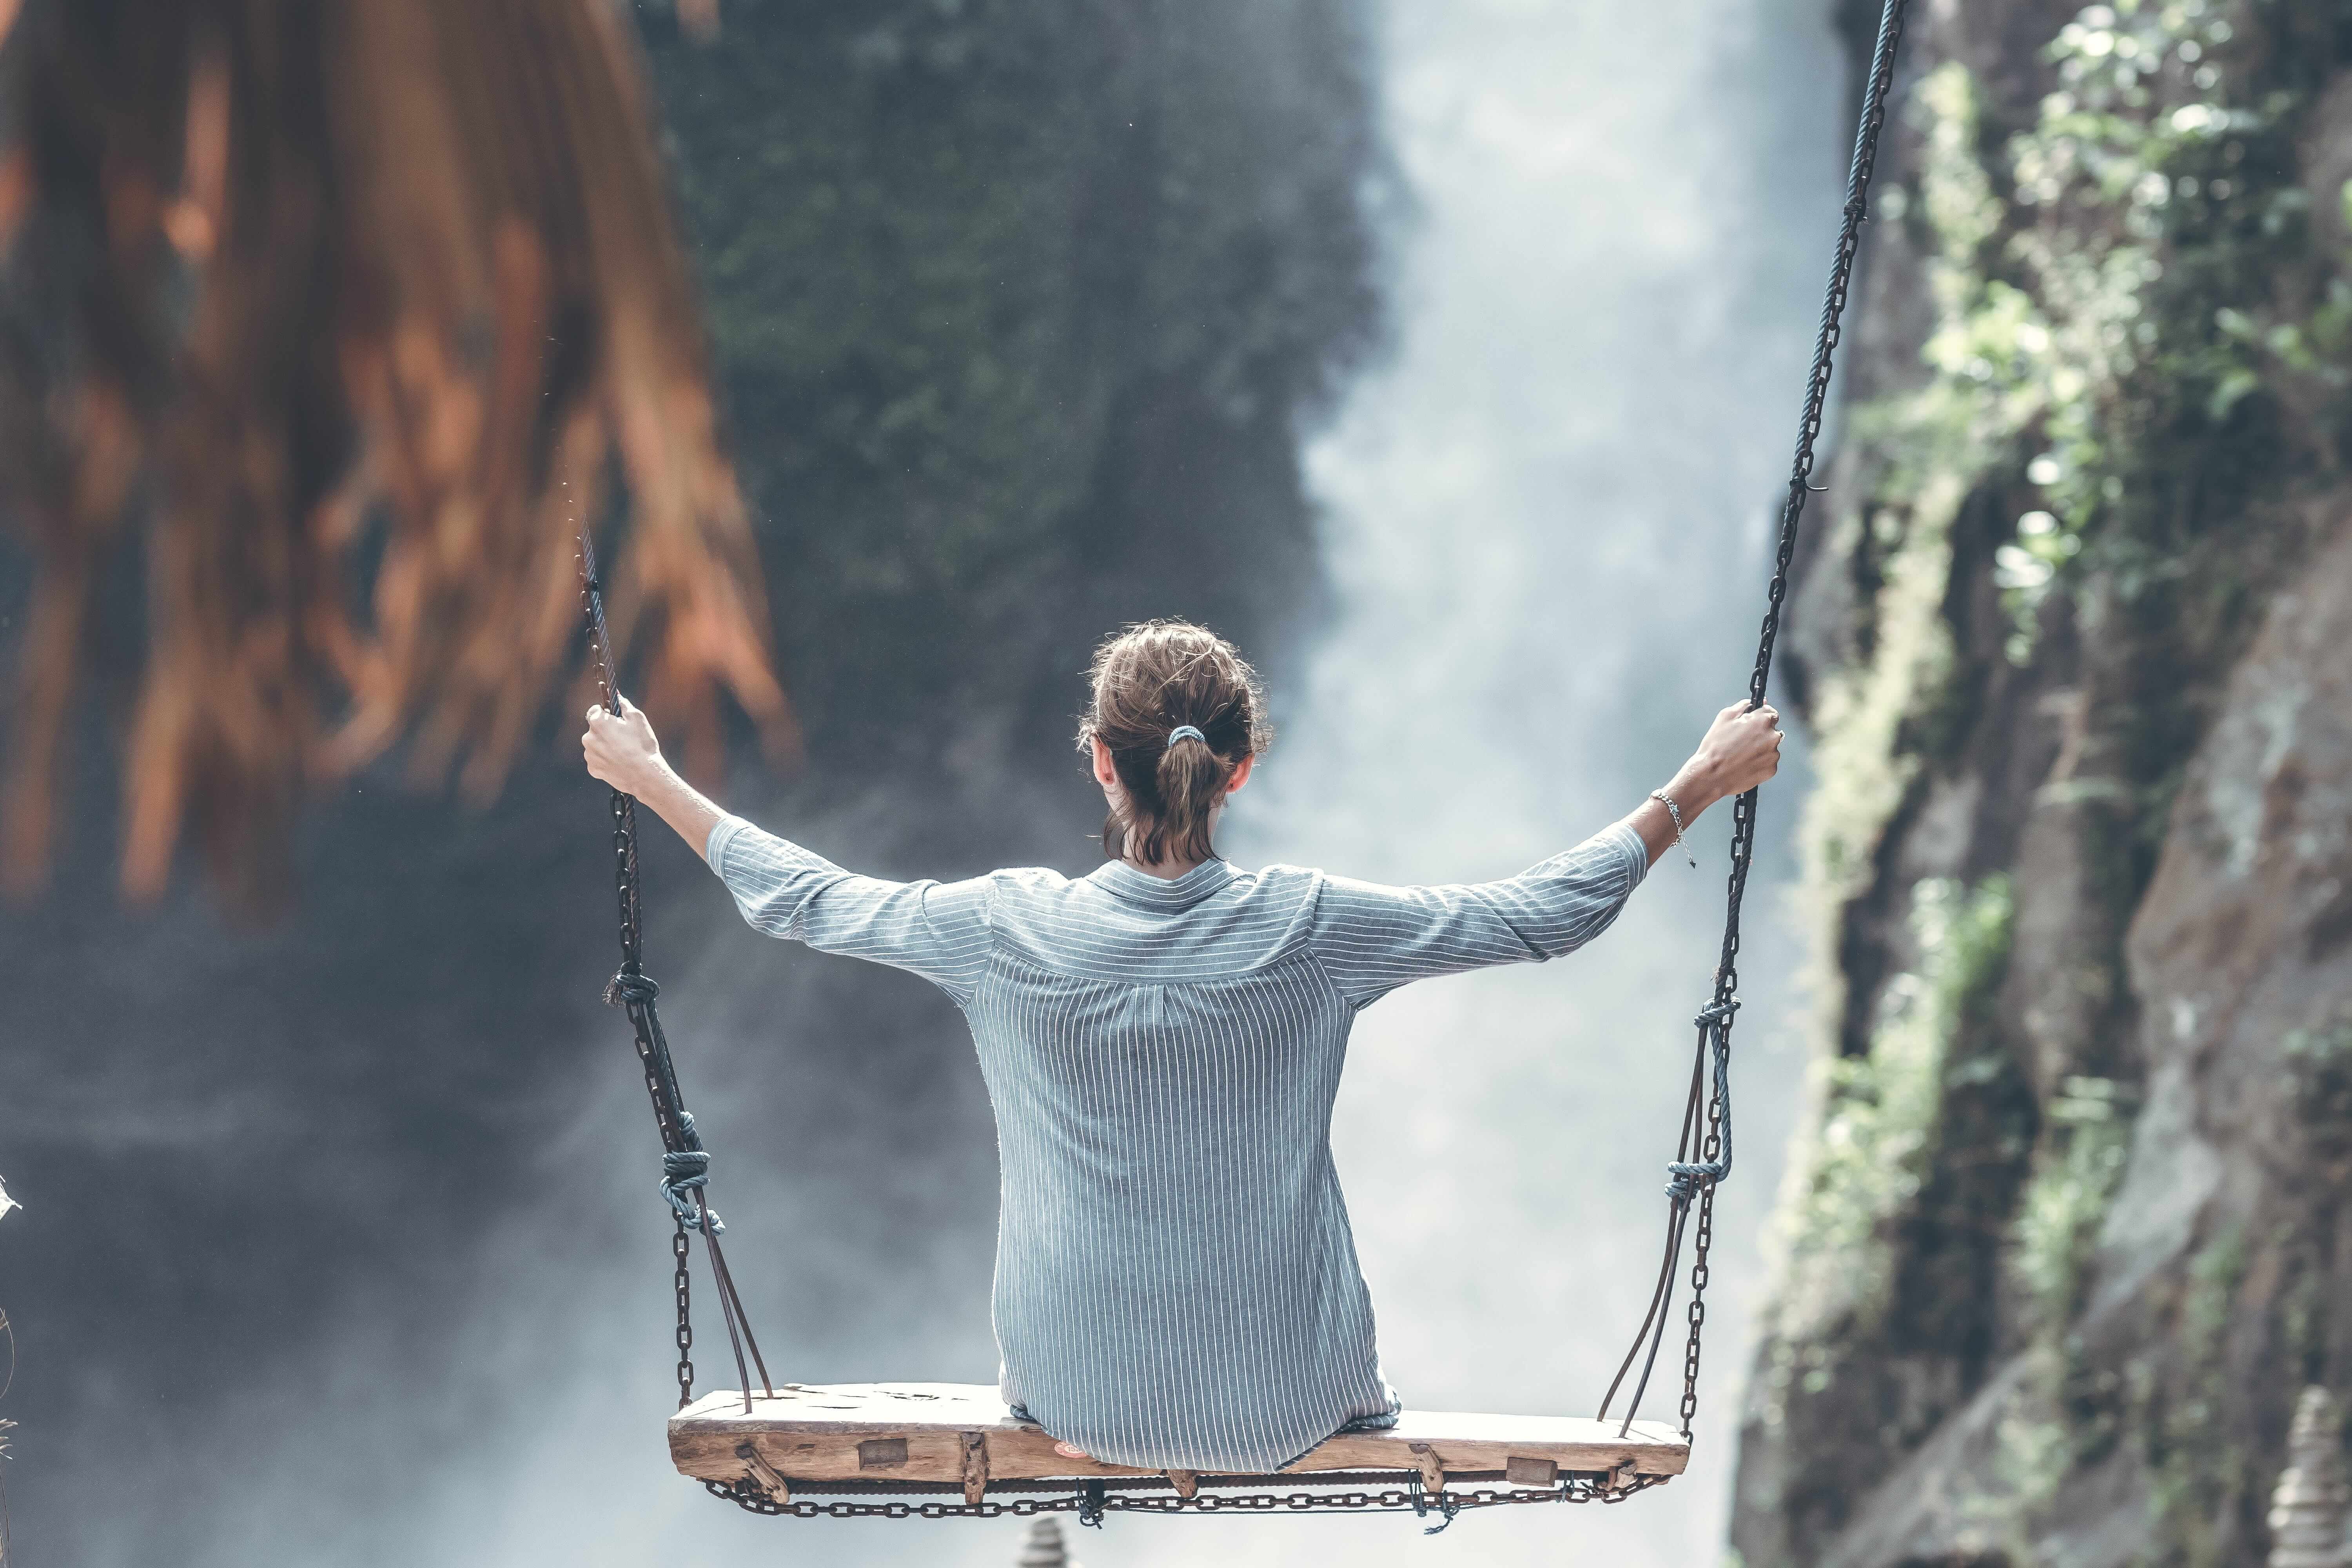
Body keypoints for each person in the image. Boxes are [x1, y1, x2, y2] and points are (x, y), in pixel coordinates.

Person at [581, 619, 1783, 1475]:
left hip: (1074, 1400)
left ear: (1100, 761)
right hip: (1295, 1407)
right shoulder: (1318, 928)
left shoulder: (1003, 929)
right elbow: (1539, 917)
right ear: (1239, 772)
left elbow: (807, 899)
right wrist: (1694, 785)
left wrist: (654, 779)